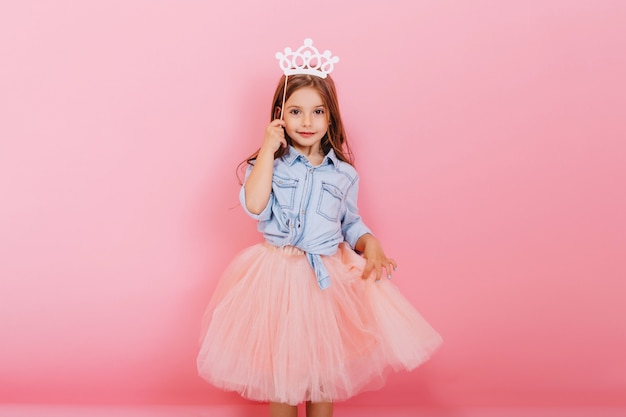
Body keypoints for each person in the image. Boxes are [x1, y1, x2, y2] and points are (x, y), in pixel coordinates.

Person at [197, 39, 442, 417]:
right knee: (284, 372)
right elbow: (255, 204)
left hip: (325, 279)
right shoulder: (269, 166)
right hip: (278, 276)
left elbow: (351, 222)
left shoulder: (343, 174)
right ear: (279, 116)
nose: (307, 122)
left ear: (331, 118)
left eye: (316, 112)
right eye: (296, 112)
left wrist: (370, 242)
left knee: (322, 373)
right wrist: (266, 147)